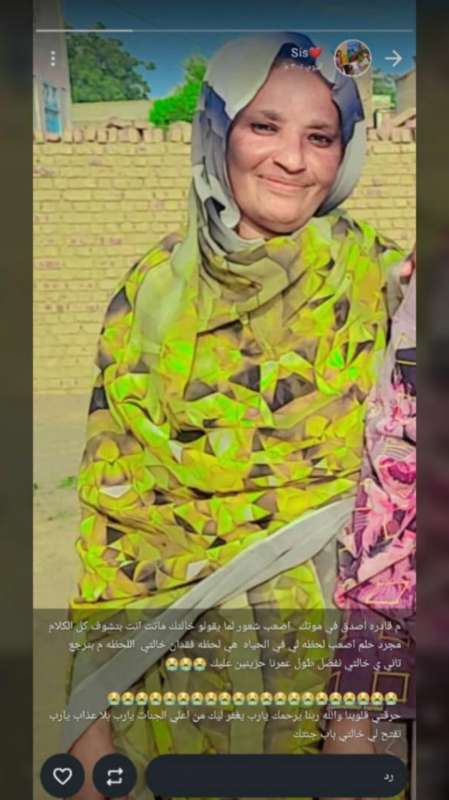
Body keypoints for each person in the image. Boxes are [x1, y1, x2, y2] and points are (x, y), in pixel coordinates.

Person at [65, 32, 413, 800]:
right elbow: (113, 517)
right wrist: (88, 725)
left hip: (338, 685)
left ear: (345, 154)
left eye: (319, 137)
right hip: (176, 682)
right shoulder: (151, 297)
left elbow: (404, 510)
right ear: (217, 133)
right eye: (264, 126)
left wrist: (357, 717)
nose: (291, 160)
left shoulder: (379, 280)